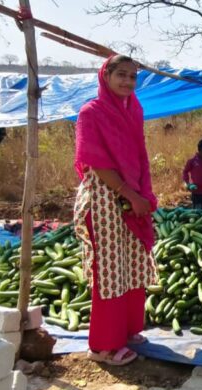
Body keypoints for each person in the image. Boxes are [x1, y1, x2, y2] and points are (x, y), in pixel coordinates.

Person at [73, 55, 158, 366]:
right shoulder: (91, 113)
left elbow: (139, 154)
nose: (127, 82)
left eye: (133, 77)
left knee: (132, 265)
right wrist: (130, 194)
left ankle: (127, 330)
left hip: (132, 197)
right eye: (121, 74)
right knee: (110, 271)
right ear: (105, 75)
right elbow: (95, 162)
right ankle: (104, 347)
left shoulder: (134, 109)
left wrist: (143, 194)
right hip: (104, 200)